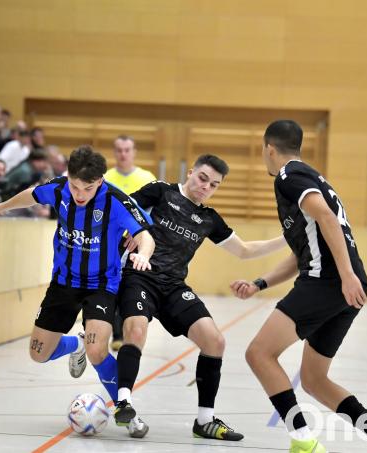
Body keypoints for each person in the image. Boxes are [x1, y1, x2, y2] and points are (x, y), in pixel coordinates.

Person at [230, 120, 367, 453]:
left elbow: (327, 218)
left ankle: (303, 441)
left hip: (328, 284)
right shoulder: (313, 177)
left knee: (258, 353)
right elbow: (305, 252)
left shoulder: (289, 178)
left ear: (269, 149)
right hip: (343, 289)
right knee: (314, 380)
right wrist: (260, 283)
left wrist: (345, 275)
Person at [0, 145, 156, 431]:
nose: (80, 195)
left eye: (88, 188)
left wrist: (143, 253)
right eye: (75, 186)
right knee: (38, 353)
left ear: (101, 182)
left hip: (102, 285)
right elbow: (32, 194)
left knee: (97, 350)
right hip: (64, 282)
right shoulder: (59, 189)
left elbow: (145, 234)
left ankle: (125, 409)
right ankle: (75, 344)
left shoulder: (116, 201)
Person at [113, 155, 287, 439]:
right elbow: (119, 207)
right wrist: (134, 229)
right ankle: (124, 402)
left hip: (173, 286)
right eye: (202, 178)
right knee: (135, 329)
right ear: (191, 172)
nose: (206, 186)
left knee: (215, 341)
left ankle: (205, 421)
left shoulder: (209, 219)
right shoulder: (160, 191)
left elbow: (244, 250)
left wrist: (286, 239)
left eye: (213, 185)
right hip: (139, 274)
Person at [103, 134, 157, 350]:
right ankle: (115, 334)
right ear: (114, 152)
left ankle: (126, 331)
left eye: (127, 150)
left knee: (130, 286)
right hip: (110, 241)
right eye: (119, 150)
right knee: (110, 286)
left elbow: (152, 212)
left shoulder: (147, 177)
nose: (123, 154)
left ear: (134, 152)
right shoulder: (105, 177)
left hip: (136, 242)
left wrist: (140, 235)